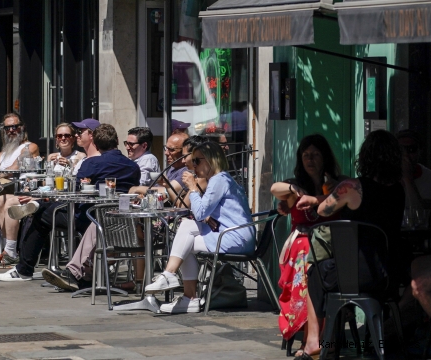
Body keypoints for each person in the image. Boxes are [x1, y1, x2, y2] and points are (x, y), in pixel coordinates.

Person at [42, 135, 208, 292]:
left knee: (105, 222)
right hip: (157, 219)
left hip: (168, 225)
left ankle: (81, 273)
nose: (169, 154)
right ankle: (87, 273)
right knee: (107, 223)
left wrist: (146, 189)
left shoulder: (194, 176)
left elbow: (181, 204)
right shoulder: (177, 171)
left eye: (177, 152)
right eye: (167, 148)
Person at [295, 130, 406, 360]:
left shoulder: (353, 188)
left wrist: (332, 190)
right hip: (388, 275)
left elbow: (323, 209)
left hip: (354, 275)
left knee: (316, 270)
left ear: (365, 157)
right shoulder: (398, 190)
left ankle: (315, 341)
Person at [0, 124, 141, 282]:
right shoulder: (133, 167)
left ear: (96, 144)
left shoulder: (92, 163)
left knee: (41, 217)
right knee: (46, 210)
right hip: (120, 220)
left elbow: (76, 190)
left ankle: (24, 270)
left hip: (87, 218)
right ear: (117, 140)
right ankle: (38, 205)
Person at [144, 141, 255, 314]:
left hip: (235, 238)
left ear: (211, 160)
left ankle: (179, 286)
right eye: (193, 161)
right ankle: (183, 291)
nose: (193, 165)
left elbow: (200, 212)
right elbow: (203, 213)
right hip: (233, 234)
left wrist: (193, 188)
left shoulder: (219, 180)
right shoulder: (220, 179)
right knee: (186, 239)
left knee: (186, 234)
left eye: (197, 161)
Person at [270, 134, 344, 354]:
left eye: (315, 154)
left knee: (319, 258)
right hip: (302, 244)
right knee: (306, 252)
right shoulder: (295, 186)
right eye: (306, 155)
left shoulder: (335, 185)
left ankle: (318, 335)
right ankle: (309, 337)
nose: (310, 159)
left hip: (330, 244)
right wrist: (293, 191)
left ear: (325, 158)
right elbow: (275, 188)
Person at [0, 122, 86, 269]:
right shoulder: (51, 157)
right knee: (1, 199)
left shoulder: (80, 156)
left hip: (61, 198)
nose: (63, 138)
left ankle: (11, 252)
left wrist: (69, 165)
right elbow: (45, 182)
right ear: (56, 139)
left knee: (11, 203)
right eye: (59, 136)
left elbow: (79, 181)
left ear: (73, 139)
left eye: (67, 135)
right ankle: (7, 248)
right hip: (46, 193)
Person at [397, 130, 431, 209]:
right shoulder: (385, 176)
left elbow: (419, 214)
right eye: (400, 149)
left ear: (419, 152)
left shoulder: (428, 177)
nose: (405, 155)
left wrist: (407, 178)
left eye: (411, 149)